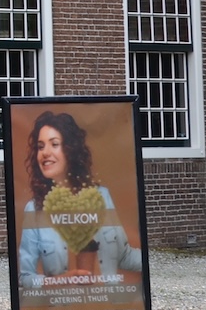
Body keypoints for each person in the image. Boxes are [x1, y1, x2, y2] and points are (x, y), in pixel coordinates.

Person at [15, 111, 142, 289]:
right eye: (40, 146)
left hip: (107, 309)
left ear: (70, 149)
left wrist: (156, 265)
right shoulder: (34, 209)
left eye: (54, 144)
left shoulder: (101, 197)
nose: (45, 153)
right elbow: (25, 277)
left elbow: (124, 256)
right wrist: (63, 280)